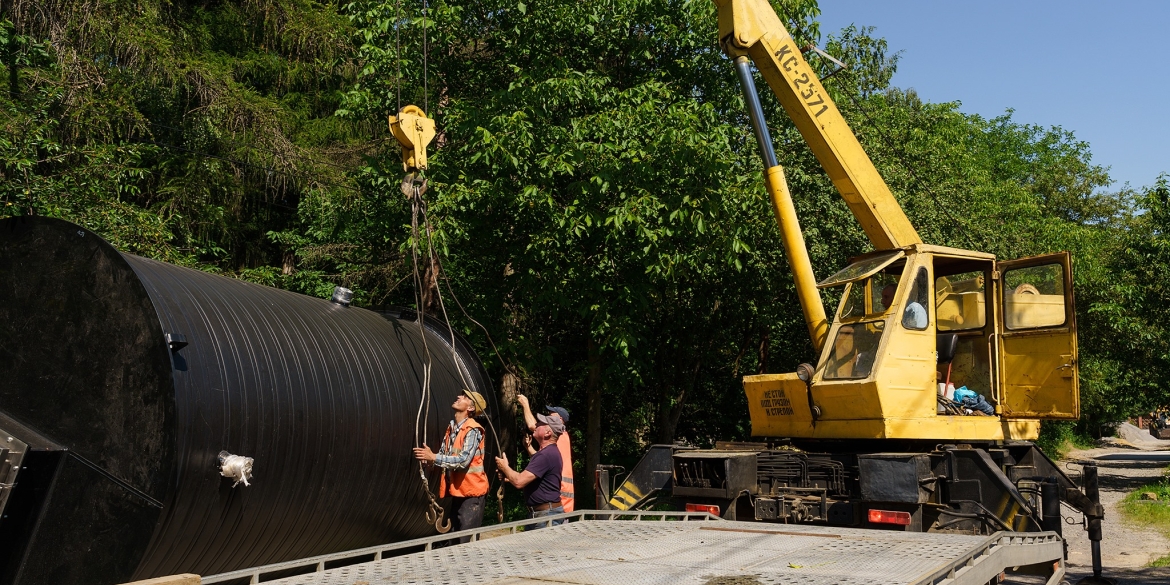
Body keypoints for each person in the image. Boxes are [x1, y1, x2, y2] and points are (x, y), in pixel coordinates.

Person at [413, 390, 488, 542]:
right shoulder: (453, 427)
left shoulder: (473, 429)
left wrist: (434, 457)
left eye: (465, 397)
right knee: (455, 540)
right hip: (459, 492)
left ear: (471, 408)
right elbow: (444, 454)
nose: (458, 396)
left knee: (466, 543)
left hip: (472, 495)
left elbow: (463, 461)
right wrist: (430, 460)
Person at [495, 413, 564, 528]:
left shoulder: (545, 455)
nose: (536, 424)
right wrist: (509, 477)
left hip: (545, 517)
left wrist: (504, 467)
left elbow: (519, 481)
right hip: (544, 514)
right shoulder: (548, 453)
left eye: (541, 424)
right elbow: (530, 480)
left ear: (548, 433)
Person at [517, 395, 574, 512]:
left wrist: (525, 404)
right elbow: (542, 463)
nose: (546, 419)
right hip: (557, 503)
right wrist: (529, 448)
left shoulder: (560, 435)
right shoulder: (555, 444)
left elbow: (534, 426)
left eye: (550, 417)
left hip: (558, 503)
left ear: (560, 420)